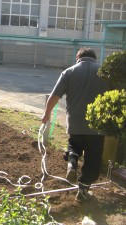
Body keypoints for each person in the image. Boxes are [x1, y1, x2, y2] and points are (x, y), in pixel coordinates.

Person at [41, 48, 109, 201]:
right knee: (93, 159)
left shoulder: (69, 72)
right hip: (98, 125)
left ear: (78, 57)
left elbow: (54, 96)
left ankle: (72, 161)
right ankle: (83, 190)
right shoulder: (105, 73)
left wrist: (46, 114)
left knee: (74, 145)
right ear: (94, 58)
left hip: (75, 123)